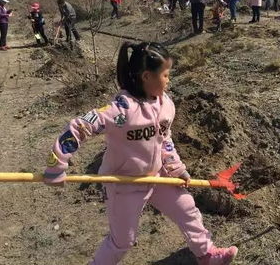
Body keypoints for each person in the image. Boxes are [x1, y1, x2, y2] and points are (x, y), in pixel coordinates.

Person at [43, 41, 238, 265]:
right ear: (147, 76)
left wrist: (176, 169)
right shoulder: (121, 111)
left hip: (158, 176)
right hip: (124, 183)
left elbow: (165, 140)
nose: (169, 80)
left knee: (187, 210)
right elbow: (78, 128)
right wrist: (56, 165)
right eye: (165, 75)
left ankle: (206, 255)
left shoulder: (166, 106)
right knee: (122, 241)